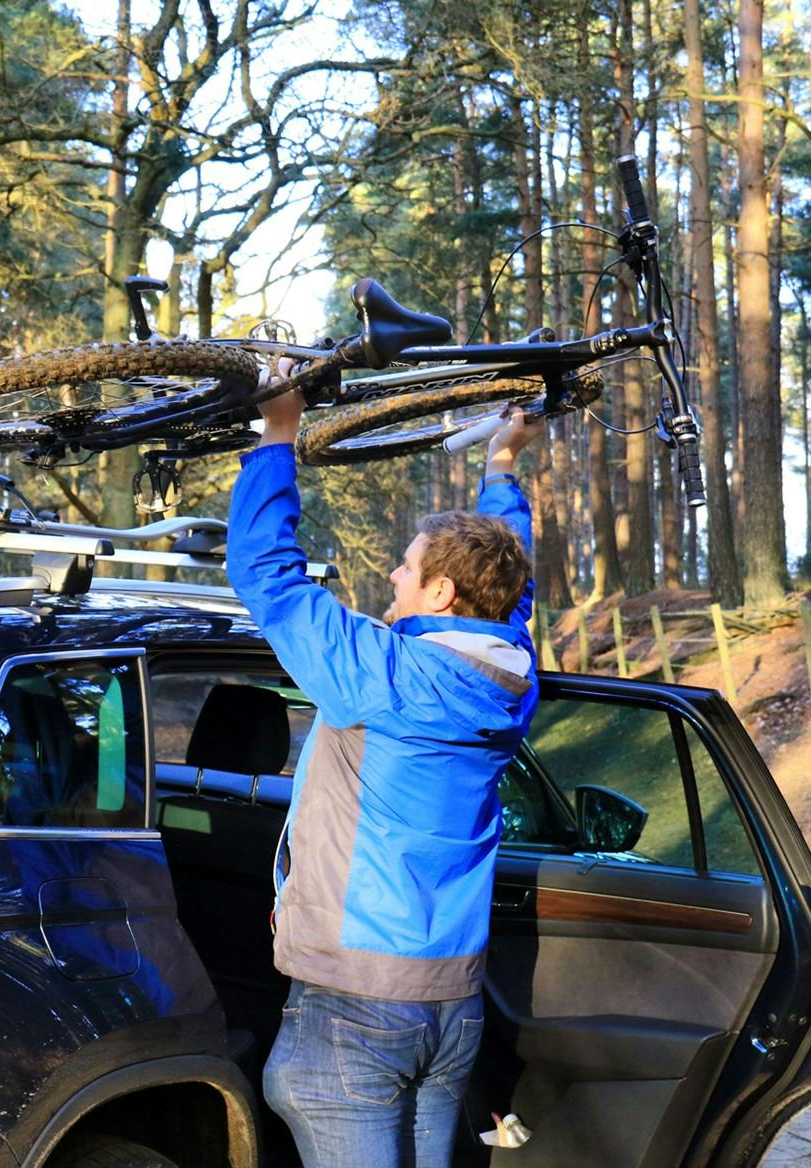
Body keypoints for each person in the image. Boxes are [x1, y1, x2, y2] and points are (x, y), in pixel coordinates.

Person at [225, 381, 543, 1168]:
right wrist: (500, 465)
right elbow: (511, 589)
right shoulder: (512, 673)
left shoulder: (384, 675)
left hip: (355, 1007)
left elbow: (266, 572)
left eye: (406, 570)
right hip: (450, 1008)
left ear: (441, 591)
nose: (394, 582)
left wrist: (279, 435)